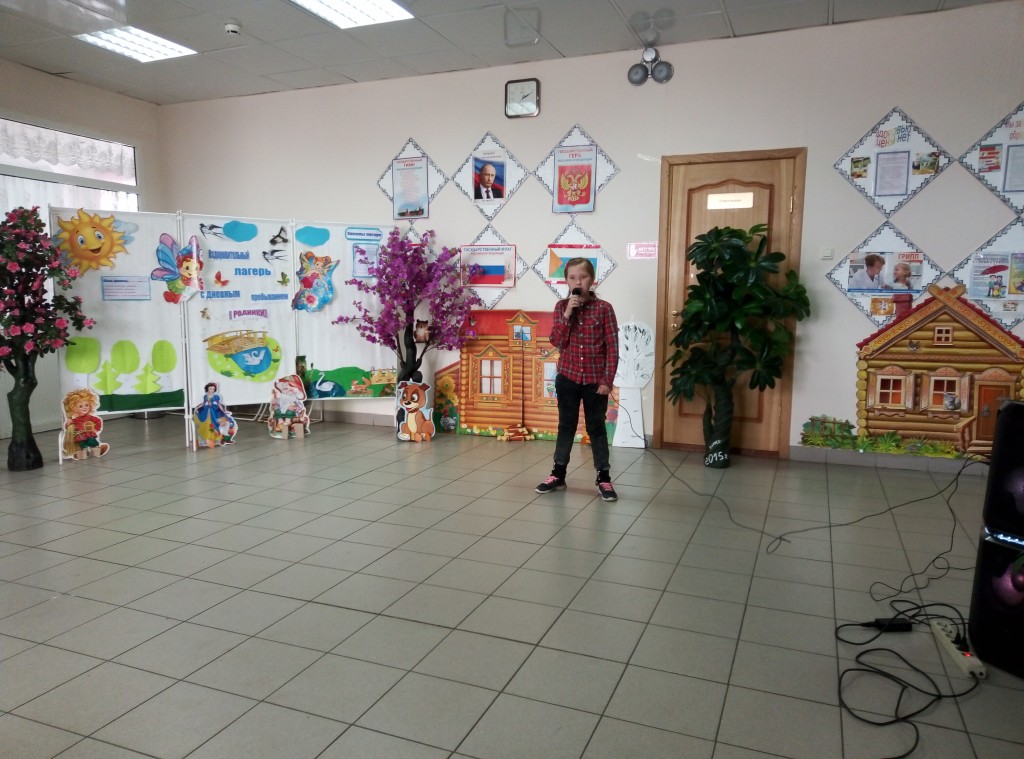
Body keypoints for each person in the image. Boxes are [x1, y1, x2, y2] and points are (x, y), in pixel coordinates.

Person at [535, 258, 619, 501]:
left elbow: (613, 348)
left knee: (596, 428)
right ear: (566, 281)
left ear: (592, 280)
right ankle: (558, 474)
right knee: (566, 426)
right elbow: (557, 341)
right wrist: (568, 313)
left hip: (595, 381)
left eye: (583, 277)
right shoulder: (561, 306)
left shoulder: (604, 308)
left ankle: (603, 478)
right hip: (568, 378)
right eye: (572, 278)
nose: (578, 282)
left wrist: (607, 381)